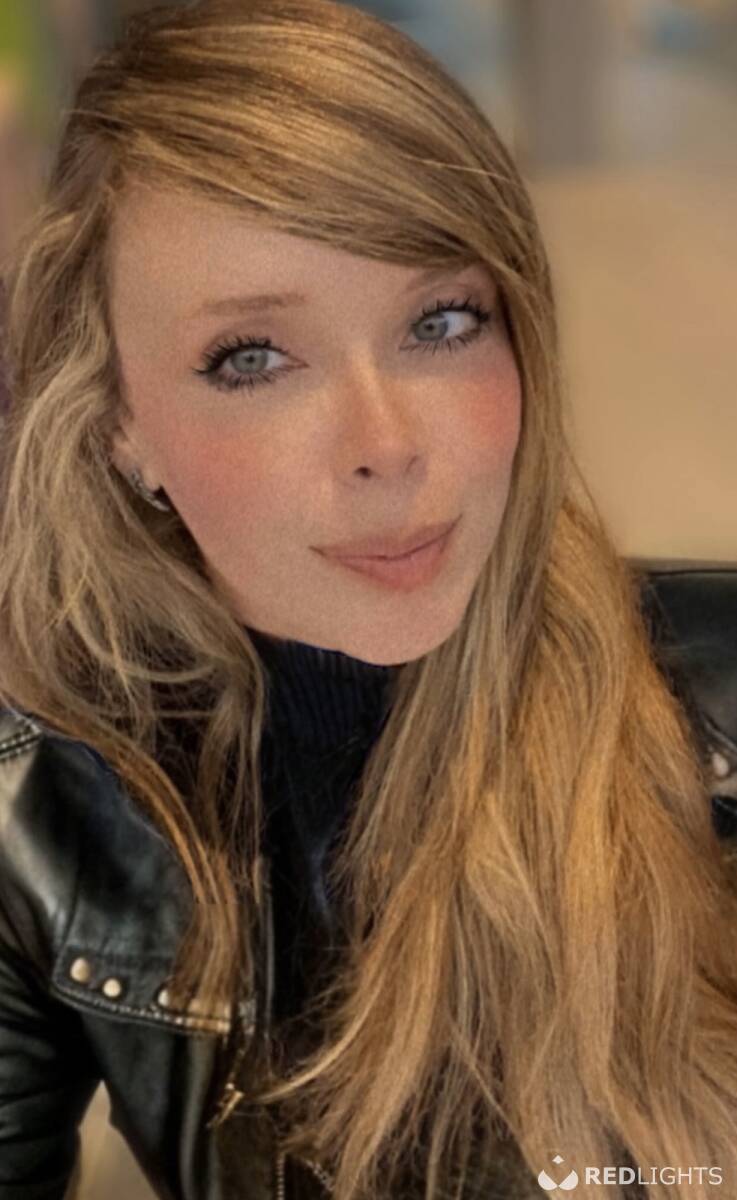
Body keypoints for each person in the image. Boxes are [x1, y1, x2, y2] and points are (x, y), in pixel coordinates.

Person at [1, 2, 736, 1198]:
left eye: (439, 322)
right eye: (253, 356)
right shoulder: (40, 810)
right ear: (120, 422)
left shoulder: (715, 718)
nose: (385, 445)